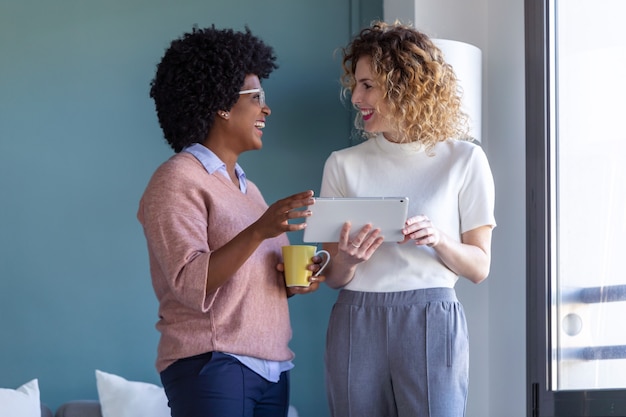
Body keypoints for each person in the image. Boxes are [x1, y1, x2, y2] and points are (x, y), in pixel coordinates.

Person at [137, 26, 325, 417]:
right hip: (213, 363)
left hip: (272, 367)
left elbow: (246, 282)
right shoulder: (177, 179)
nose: (266, 109)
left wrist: (294, 282)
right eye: (256, 97)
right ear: (222, 104)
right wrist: (259, 230)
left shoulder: (248, 190)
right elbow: (191, 283)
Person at [320, 21, 496, 417]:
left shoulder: (464, 160)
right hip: (356, 316)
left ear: (404, 85)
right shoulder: (342, 165)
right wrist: (348, 259)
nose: (356, 97)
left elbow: (480, 267)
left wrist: (438, 239)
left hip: (431, 317)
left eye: (368, 85)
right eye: (355, 84)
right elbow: (332, 275)